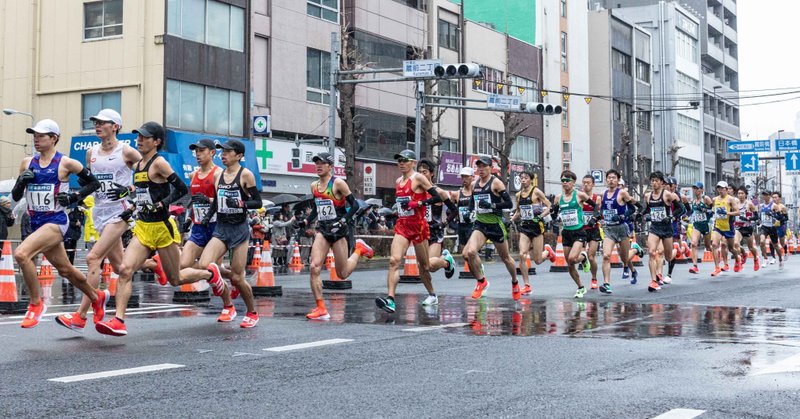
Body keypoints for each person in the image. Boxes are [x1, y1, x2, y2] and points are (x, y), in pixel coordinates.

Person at [12, 119, 109, 328]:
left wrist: (74, 198)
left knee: (21, 254)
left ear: (54, 138)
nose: (36, 140)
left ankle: (36, 304)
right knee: (65, 270)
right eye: (34, 136)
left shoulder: (66, 163)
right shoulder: (27, 163)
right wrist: (21, 182)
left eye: (41, 136)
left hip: (56, 221)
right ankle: (96, 297)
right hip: (36, 222)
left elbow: (94, 183)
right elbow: (16, 195)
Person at [94, 122, 189, 336]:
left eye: (145, 137)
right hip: (144, 227)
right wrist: (131, 203)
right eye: (138, 136)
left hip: (162, 228)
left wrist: (162, 204)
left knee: (176, 279)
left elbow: (182, 189)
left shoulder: (160, 163)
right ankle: (118, 320)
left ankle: (211, 275)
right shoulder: (138, 165)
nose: (139, 140)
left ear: (156, 142)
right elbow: (144, 192)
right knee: (125, 270)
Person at [55, 109, 143, 332]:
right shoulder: (91, 152)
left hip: (120, 213)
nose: (97, 125)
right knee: (121, 266)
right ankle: (156, 264)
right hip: (100, 213)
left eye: (103, 122)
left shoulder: (128, 151)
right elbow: (91, 183)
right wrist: (76, 197)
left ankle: (82, 315)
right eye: (95, 122)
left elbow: (148, 176)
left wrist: (129, 189)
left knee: (93, 258)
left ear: (115, 126)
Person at [175, 139, 262, 328]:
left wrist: (240, 204)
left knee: (238, 277)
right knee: (206, 265)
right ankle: (222, 288)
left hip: (239, 230)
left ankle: (252, 312)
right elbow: (217, 201)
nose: (224, 155)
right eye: (223, 151)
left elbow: (257, 202)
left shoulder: (245, 175)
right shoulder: (220, 176)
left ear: (239, 156)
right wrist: (206, 217)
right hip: (221, 228)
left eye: (228, 152)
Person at [295, 152, 374, 320]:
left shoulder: (338, 183)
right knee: (314, 267)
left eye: (322, 163)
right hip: (323, 230)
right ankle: (321, 307)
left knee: (342, 273)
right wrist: (306, 222)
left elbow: (354, 206)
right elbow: (317, 208)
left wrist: (344, 220)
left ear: (330, 166)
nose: (318, 166)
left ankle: (359, 249)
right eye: (316, 163)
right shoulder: (314, 186)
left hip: (339, 231)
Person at [375, 150, 444, 313]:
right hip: (403, 226)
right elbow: (402, 205)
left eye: (405, 160)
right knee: (394, 260)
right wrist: (396, 212)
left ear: (413, 162)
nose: (401, 163)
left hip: (418, 227)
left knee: (425, 266)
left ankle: (444, 264)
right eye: (399, 160)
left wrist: (418, 204)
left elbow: (437, 198)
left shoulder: (419, 178)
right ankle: (390, 299)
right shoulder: (398, 181)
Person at [461, 156, 519, 300]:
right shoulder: (474, 184)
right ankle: (481, 281)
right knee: (470, 252)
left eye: (483, 167)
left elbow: (508, 204)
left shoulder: (496, 183)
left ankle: (515, 282)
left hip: (495, 224)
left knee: (506, 258)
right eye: (478, 167)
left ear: (490, 168)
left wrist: (492, 205)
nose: (480, 170)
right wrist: (468, 211)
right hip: (480, 224)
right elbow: (472, 201)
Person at [552, 170, 598, 298]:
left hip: (579, 232)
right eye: (562, 181)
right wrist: (554, 213)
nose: (564, 183)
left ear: (572, 182)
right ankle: (580, 287)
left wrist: (595, 217)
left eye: (567, 181)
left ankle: (583, 257)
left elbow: (595, 206)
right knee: (570, 263)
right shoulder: (558, 198)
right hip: (566, 232)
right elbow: (554, 213)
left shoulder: (579, 195)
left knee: (573, 258)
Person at [637, 171, 685, 292]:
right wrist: (640, 214)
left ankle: (677, 250)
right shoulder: (648, 196)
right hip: (654, 227)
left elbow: (681, 208)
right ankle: (653, 281)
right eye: (652, 180)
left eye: (656, 180)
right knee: (652, 252)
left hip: (667, 228)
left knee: (668, 257)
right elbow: (648, 208)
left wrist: (671, 217)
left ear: (662, 182)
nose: (654, 183)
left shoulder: (668, 195)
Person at [511, 170, 556, 295]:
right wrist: (511, 220)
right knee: (522, 254)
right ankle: (526, 285)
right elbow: (519, 211)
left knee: (537, 260)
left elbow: (549, 205)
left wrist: (541, 216)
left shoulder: (536, 191)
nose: (523, 180)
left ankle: (548, 252)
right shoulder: (519, 194)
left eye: (525, 178)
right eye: (521, 178)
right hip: (525, 227)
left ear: (531, 179)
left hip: (536, 227)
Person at [598, 169, 640, 294]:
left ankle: (635, 256)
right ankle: (606, 284)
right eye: (609, 177)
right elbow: (602, 210)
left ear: (618, 180)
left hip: (622, 229)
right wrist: (600, 217)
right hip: (609, 229)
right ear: (606, 180)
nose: (611, 180)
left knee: (625, 258)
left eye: (614, 178)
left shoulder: (622, 193)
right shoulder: (603, 194)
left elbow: (632, 208)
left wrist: (622, 216)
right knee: (606, 256)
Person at [416, 159, 457, 281]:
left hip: (435, 233)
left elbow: (454, 210)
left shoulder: (439, 192)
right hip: (420, 232)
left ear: (432, 173)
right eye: (420, 172)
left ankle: (447, 262)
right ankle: (431, 294)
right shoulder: (416, 192)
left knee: (429, 265)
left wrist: (443, 224)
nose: (422, 175)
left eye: (425, 172)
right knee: (423, 267)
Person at [709, 181, 741, 277]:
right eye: (718, 188)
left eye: (722, 188)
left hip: (728, 227)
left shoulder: (730, 199)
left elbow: (738, 212)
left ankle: (737, 258)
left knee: (731, 248)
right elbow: (712, 210)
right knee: (714, 245)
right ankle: (717, 268)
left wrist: (728, 213)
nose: (720, 190)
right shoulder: (715, 199)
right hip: (718, 226)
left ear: (726, 189)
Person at [577, 175, 602, 289]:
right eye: (584, 182)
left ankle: (594, 278)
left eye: (588, 182)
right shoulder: (579, 197)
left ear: (593, 184)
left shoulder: (597, 198)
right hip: (582, 229)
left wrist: (594, 219)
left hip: (593, 229)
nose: (586, 184)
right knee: (582, 254)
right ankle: (584, 260)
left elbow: (599, 213)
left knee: (591, 256)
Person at [687, 182, 714, 274]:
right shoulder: (694, 201)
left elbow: (712, 211)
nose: (695, 190)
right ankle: (695, 266)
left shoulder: (705, 198)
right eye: (694, 188)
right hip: (697, 225)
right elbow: (693, 212)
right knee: (693, 244)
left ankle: (717, 259)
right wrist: (686, 216)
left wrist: (704, 209)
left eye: (697, 188)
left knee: (708, 246)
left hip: (706, 225)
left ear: (702, 190)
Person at [733, 186, 760, 271]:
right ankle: (739, 260)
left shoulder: (749, 204)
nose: (740, 195)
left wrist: (749, 219)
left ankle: (756, 258)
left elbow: (757, 217)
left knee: (751, 247)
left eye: (742, 193)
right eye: (739, 193)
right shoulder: (735, 203)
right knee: (736, 244)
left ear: (746, 195)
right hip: (738, 227)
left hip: (747, 227)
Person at [451, 167, 475, 252]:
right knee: (464, 251)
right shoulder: (456, 194)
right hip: (462, 226)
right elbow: (451, 210)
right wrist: (451, 222)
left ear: (473, 177)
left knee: (471, 251)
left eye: (467, 177)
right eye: (462, 177)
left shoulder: (477, 192)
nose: (464, 179)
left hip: (475, 226)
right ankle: (472, 265)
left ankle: (477, 265)